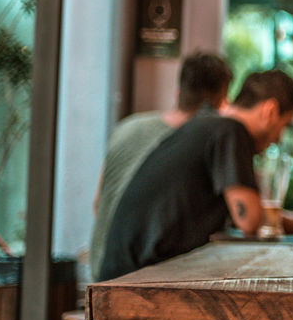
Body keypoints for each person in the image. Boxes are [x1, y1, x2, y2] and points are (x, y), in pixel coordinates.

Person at [97, 69, 293, 281]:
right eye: (284, 126)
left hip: (127, 271)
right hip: (132, 280)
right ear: (270, 111)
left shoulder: (210, 124)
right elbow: (250, 220)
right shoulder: (231, 132)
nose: (279, 139)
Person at [88, 51, 233, 279]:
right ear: (221, 103)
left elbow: (98, 203)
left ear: (178, 92)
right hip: (137, 277)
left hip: (99, 266)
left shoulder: (128, 127)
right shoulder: (193, 147)